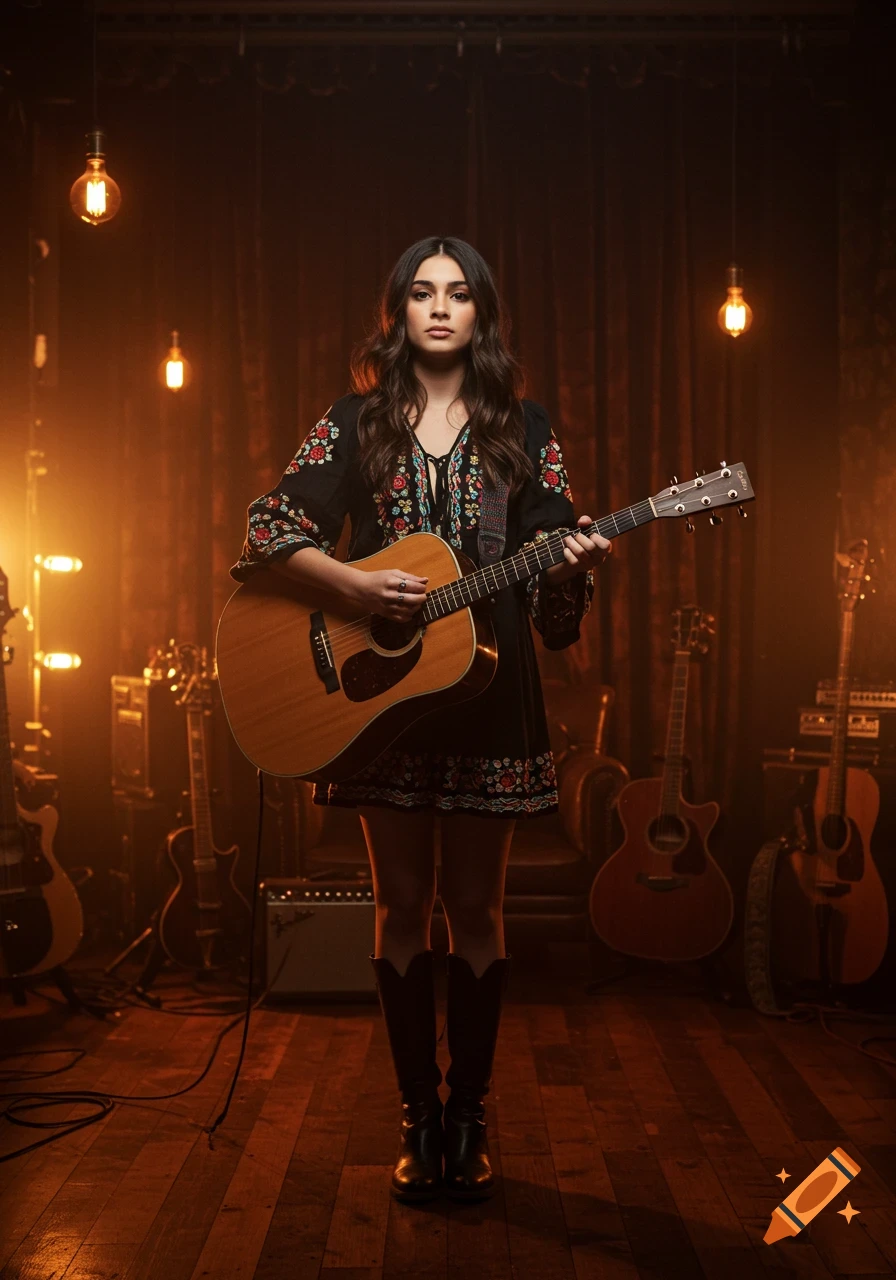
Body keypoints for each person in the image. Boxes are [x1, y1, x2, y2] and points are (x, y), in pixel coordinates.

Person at [232, 236, 609, 1203]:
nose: (439, 310)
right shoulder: (357, 424)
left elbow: (552, 592)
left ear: (483, 313)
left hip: (492, 697)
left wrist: (572, 565)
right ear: (397, 310)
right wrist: (356, 585)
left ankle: (471, 1118)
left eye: (459, 295)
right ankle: (416, 1119)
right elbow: (270, 528)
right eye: (421, 294)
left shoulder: (523, 426)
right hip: (380, 699)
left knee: (477, 911)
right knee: (401, 907)